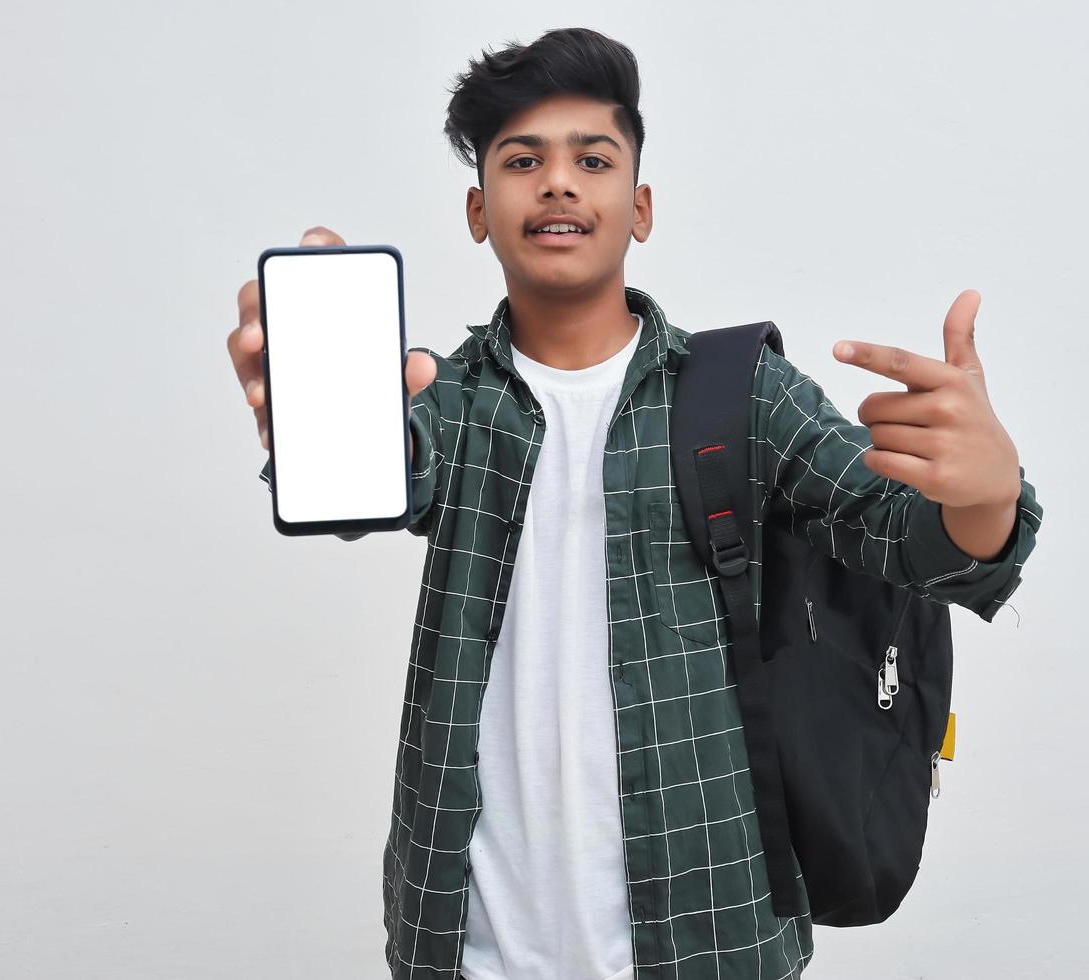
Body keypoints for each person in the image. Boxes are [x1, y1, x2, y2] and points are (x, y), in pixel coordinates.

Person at [225, 26, 1041, 980]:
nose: (559, 183)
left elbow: (907, 541)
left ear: (640, 207)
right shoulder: (446, 398)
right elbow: (383, 479)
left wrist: (985, 495)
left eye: (593, 159)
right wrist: (316, 408)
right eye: (524, 160)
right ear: (479, 211)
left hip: (708, 933)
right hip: (464, 939)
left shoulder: (742, 392)